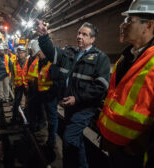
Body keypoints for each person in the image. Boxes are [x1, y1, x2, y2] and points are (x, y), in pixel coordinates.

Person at [37, 20, 111, 167]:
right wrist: (44, 36)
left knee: (69, 138)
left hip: (85, 107)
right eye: (78, 33)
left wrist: (77, 98)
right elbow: (51, 52)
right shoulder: (70, 53)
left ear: (92, 39)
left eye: (84, 34)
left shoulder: (100, 58)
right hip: (70, 105)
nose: (79, 36)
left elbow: (100, 86)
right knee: (76, 140)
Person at [96, 0, 154, 167]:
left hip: (135, 155)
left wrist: (138, 145)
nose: (122, 25)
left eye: (130, 20)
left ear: (149, 25)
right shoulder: (125, 58)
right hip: (115, 147)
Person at [32, 40, 58, 155]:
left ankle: (52, 142)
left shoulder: (52, 62)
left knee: (52, 120)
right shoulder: (42, 62)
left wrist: (50, 94)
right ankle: (49, 140)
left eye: (38, 54)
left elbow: (57, 82)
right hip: (44, 96)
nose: (38, 56)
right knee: (48, 118)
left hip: (50, 97)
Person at [11, 45, 28, 124]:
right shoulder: (14, 63)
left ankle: (28, 118)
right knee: (16, 102)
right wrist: (12, 83)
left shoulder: (28, 62)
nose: (20, 54)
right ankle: (14, 117)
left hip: (26, 85)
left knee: (28, 102)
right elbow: (13, 74)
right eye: (19, 53)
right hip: (18, 85)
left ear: (25, 53)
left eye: (22, 53)